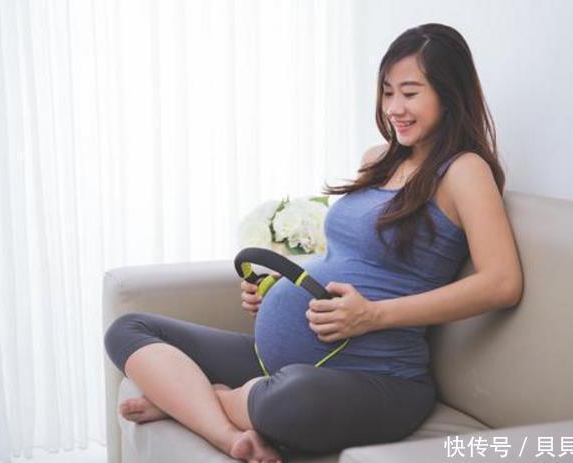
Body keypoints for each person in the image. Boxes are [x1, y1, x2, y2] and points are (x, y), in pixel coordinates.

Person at [104, 23, 523, 463]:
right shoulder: (378, 159)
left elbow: (502, 282)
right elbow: (349, 255)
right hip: (276, 361)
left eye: (410, 93)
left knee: (290, 401)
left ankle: (194, 401)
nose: (394, 108)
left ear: (449, 93)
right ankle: (228, 432)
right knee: (128, 329)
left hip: (376, 379)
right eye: (387, 92)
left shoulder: (464, 171)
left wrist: (373, 315)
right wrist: (277, 288)